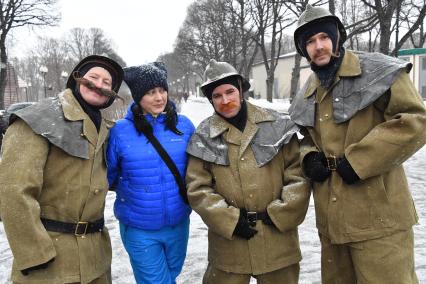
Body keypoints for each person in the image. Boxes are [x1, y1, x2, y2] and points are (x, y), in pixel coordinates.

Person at [289, 4, 426, 283]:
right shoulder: (308, 92)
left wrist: (359, 160)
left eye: (324, 37)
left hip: (380, 218)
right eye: (310, 42)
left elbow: (415, 121)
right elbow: (302, 138)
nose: (318, 46)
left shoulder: (379, 70)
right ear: (304, 50)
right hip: (332, 222)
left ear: (337, 37)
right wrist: (308, 157)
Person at [0, 55, 124, 283]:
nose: (99, 85)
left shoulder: (105, 128)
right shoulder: (37, 119)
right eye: (93, 77)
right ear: (77, 79)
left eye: (107, 83)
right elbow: (13, 191)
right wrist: (35, 253)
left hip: (96, 261)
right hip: (50, 265)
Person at [186, 59, 311, 284]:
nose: (225, 101)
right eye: (217, 96)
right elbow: (198, 188)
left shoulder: (277, 124)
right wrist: (230, 220)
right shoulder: (203, 136)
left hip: (277, 241)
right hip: (228, 248)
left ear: (241, 90)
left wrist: (280, 213)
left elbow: (298, 174)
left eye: (230, 92)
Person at [106, 62, 195, 284]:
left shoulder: (184, 126)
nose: (159, 97)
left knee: (170, 275)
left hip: (178, 222)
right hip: (139, 227)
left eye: (162, 90)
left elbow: (197, 169)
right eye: (150, 92)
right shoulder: (120, 131)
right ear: (138, 97)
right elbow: (110, 174)